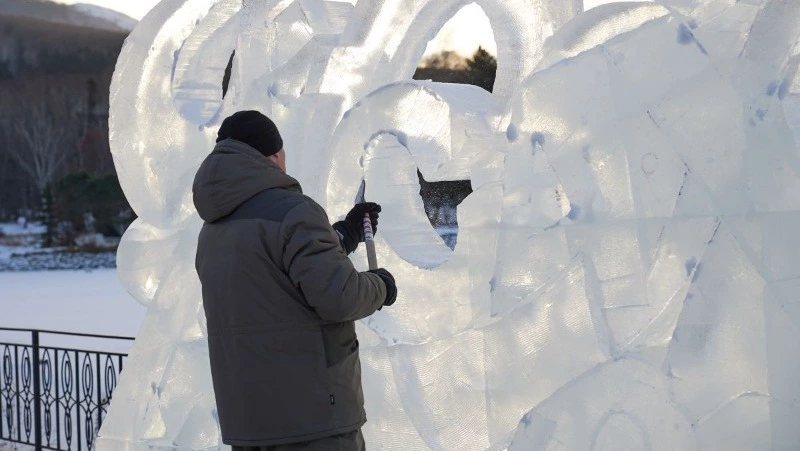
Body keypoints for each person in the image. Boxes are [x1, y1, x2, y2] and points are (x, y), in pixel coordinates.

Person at [194, 110, 398, 450]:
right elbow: (340, 297)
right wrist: (382, 285)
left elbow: (275, 275)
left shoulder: (213, 228)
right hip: (312, 420)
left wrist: (343, 234)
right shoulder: (295, 211)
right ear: (274, 154)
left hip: (248, 422)